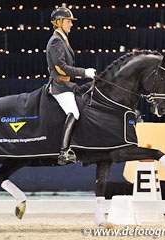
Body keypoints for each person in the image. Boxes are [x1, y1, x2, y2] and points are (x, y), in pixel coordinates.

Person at [46, 7, 96, 165]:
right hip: (60, 86)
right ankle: (64, 152)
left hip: (67, 85)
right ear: (59, 22)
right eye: (68, 21)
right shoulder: (56, 41)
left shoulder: (62, 40)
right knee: (74, 112)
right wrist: (84, 73)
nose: (71, 24)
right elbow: (61, 67)